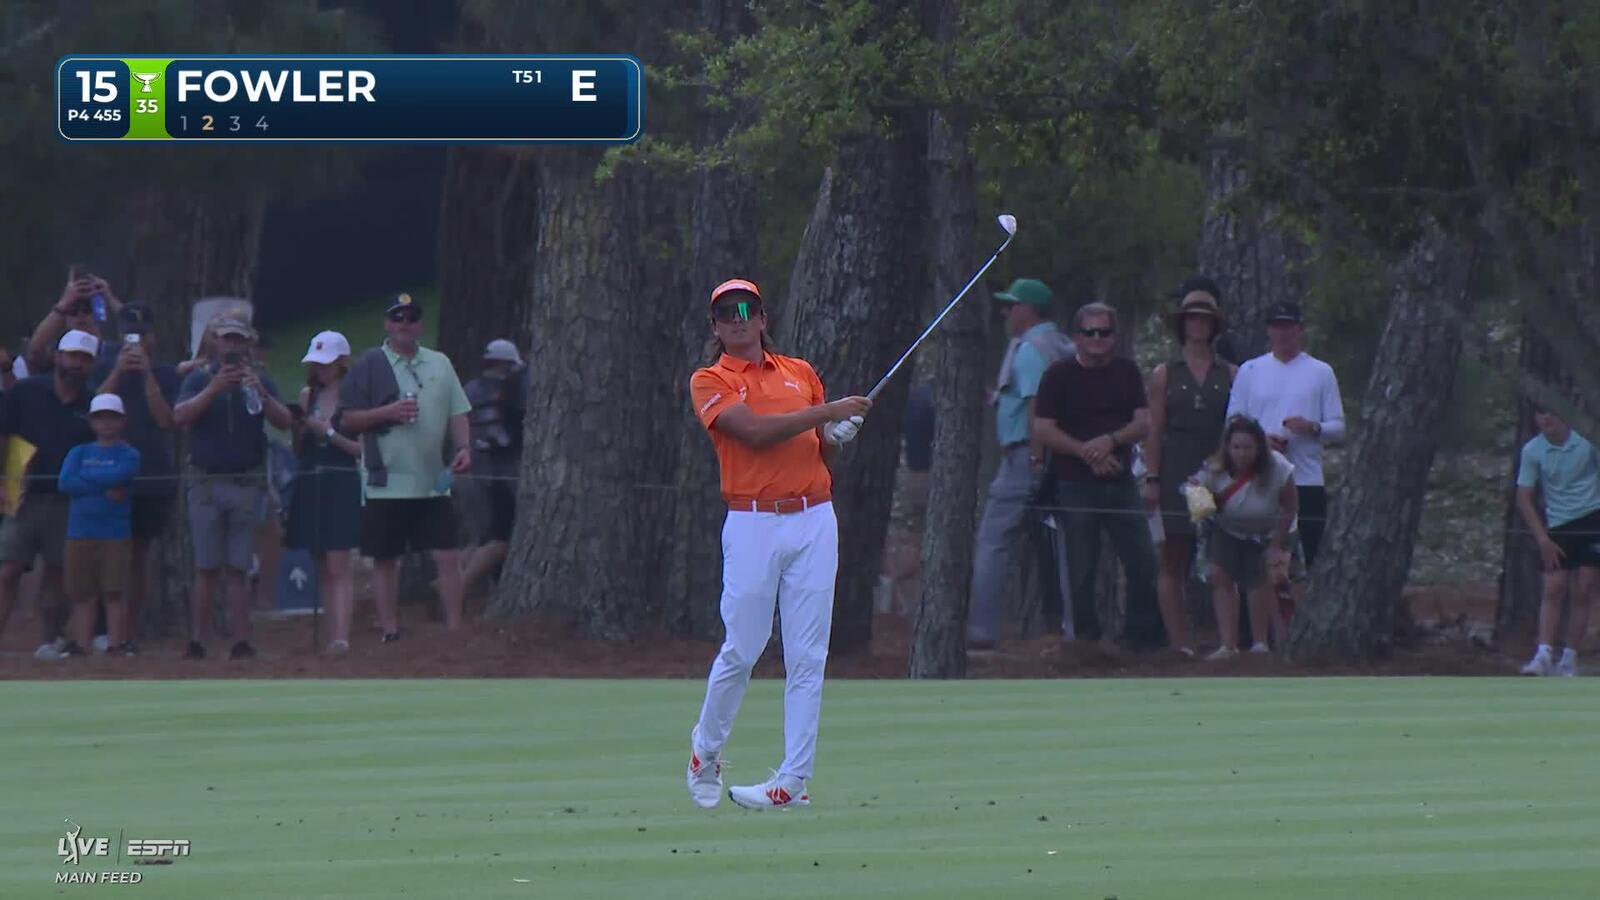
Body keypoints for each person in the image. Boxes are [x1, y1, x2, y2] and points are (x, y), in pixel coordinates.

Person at [684, 277, 870, 811]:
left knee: (808, 655)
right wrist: (828, 414)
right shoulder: (710, 379)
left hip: (814, 518)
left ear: (764, 318)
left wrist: (835, 436)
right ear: (716, 327)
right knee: (743, 648)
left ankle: (793, 780)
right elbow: (756, 434)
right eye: (726, 313)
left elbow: (815, 450)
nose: (739, 318)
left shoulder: (800, 373)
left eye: (748, 309)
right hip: (752, 523)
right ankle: (705, 748)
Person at [338, 293, 473, 640]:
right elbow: (347, 419)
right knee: (385, 559)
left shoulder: (440, 363)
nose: (404, 324)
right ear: (387, 324)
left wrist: (464, 446)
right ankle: (390, 630)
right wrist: (387, 414)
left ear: (420, 325)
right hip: (385, 480)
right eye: (397, 318)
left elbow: (459, 410)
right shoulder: (369, 365)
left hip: (431, 479)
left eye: (411, 318)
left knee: (447, 554)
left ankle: (455, 627)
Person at [1032, 302, 1165, 648]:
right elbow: (1043, 429)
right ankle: (1085, 642)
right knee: (1081, 569)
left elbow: (1143, 423)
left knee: (1143, 563)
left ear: (1114, 336)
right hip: (1074, 484)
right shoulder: (1058, 375)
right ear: (1076, 336)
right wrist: (1086, 453)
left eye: (1103, 332)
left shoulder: (1127, 372)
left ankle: (1138, 638)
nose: (1096, 339)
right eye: (1089, 332)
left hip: (1120, 482)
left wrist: (1110, 441)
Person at [172, 315, 292, 660]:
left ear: (247, 344)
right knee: (206, 566)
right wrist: (214, 389)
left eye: (239, 340)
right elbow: (179, 417)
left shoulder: (260, 378)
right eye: (227, 339)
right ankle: (198, 640)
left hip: (244, 482)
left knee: (239, 566)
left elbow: (284, 421)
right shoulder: (198, 378)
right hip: (206, 483)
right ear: (215, 342)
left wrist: (262, 393)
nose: (233, 346)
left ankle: (241, 640)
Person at [968, 278, 1076, 648]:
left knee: (993, 541)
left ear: (1029, 310)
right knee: (1066, 543)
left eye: (1012, 305)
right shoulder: (1061, 343)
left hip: (1027, 456)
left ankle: (981, 631)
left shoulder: (1031, 348)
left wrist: (1035, 456)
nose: (1006, 312)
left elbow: (1036, 403)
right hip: (1065, 456)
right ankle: (1073, 629)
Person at [1142, 283, 1236, 657]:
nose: (1198, 326)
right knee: (1175, 554)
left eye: (1205, 320)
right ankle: (1179, 643)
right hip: (1177, 472)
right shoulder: (1165, 373)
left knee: (1222, 556)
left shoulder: (1230, 373)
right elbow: (1154, 429)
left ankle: (1228, 641)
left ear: (1214, 326)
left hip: (1217, 470)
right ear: (1183, 325)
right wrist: (1151, 477)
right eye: (1192, 319)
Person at [0, 330, 99, 659]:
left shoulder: (93, 404)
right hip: (24, 496)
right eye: (72, 355)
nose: (77, 364)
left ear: (92, 364)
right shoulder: (26, 391)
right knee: (8, 570)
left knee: (56, 575)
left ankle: (48, 643)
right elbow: (4, 434)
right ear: (58, 356)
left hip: (68, 501)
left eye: (85, 359)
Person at [1225, 301, 1345, 571]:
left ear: (1300, 329)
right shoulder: (1250, 371)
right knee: (1256, 560)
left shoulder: (1321, 372)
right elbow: (1231, 423)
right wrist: (1260, 442)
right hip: (1259, 480)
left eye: (1288, 326)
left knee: (1308, 559)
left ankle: (1302, 611)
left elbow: (1339, 428)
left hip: (1306, 479)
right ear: (1269, 330)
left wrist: (1313, 427)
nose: (1282, 333)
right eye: (1277, 326)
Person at [92, 303, 180, 646]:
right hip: (106, 475)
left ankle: (128, 633)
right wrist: (116, 372)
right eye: (130, 335)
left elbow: (166, 420)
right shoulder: (102, 368)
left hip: (149, 476)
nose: (135, 343)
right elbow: (94, 410)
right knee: (107, 555)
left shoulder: (166, 374)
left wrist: (146, 375)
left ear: (152, 339)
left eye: (141, 336)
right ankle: (103, 631)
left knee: (138, 557)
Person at [1188, 416, 1300, 659]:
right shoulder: (1214, 468)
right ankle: (1228, 645)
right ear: (1228, 447)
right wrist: (1201, 505)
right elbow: (1196, 493)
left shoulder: (1278, 467)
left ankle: (1261, 642)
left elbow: (1290, 506)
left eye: (1248, 447)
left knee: (1261, 579)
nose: (1241, 453)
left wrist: (1277, 544)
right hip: (1228, 529)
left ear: (1259, 447)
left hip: (1271, 530)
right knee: (1219, 574)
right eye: (1236, 447)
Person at [283, 331, 364, 654]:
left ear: (342, 363)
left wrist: (327, 432)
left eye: (327, 364)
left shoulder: (355, 398)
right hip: (311, 478)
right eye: (317, 364)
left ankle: (342, 636)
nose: (321, 370)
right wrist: (299, 428)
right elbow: (299, 448)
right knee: (320, 559)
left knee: (338, 561)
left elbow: (360, 449)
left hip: (340, 479)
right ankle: (330, 633)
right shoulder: (308, 395)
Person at [1514, 407, 1600, 677]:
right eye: (1540, 413)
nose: (1545, 419)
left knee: (1584, 588)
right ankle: (1543, 655)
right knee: (1554, 587)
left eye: (1551, 413)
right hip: (1559, 524)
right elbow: (1524, 497)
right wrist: (1542, 539)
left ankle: (1569, 659)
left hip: (1592, 520)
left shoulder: (1587, 443)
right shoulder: (1533, 450)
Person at [56, 394, 141, 657]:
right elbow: (65, 482)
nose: (106, 423)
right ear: (92, 422)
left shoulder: (129, 454)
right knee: (83, 593)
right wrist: (104, 488)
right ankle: (82, 645)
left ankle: (116, 644)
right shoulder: (78, 452)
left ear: (122, 421)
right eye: (101, 418)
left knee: (114, 591)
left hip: (114, 533)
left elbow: (121, 474)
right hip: (80, 531)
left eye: (112, 417)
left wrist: (88, 480)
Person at [461, 338, 528, 600]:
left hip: (463, 472)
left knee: (479, 537)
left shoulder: (468, 390)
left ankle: (451, 580)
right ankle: (455, 587)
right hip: (495, 476)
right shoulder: (511, 393)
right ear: (505, 364)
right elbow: (505, 440)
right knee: (497, 538)